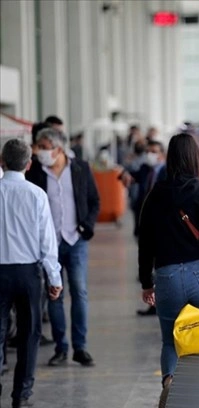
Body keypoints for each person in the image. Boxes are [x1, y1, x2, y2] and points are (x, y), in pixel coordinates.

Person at [137, 133, 199, 391]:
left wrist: (147, 282)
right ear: (197, 159)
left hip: (167, 277)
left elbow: (145, 243)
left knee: (170, 341)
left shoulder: (154, 196)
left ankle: (169, 379)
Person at [25, 128, 100, 366]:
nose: (40, 152)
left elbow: (94, 200)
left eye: (45, 147)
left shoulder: (80, 168)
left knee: (79, 292)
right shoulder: (36, 172)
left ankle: (80, 347)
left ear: (58, 148)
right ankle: (61, 347)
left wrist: (85, 226)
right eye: (38, 147)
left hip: (75, 241)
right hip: (49, 244)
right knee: (54, 295)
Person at [0, 139, 63, 408]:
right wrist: (55, 277)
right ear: (28, 164)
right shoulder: (36, 194)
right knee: (29, 333)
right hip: (28, 274)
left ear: (2, 162)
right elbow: (46, 241)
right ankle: (21, 395)